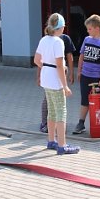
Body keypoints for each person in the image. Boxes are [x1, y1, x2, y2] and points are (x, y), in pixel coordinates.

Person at [34, 13, 80, 155]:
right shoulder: (58, 42)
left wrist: (47, 66)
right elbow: (60, 65)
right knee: (61, 112)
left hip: (46, 77)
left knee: (52, 111)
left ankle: (51, 140)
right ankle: (62, 144)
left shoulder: (44, 40)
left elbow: (36, 60)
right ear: (61, 27)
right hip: (55, 79)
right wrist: (65, 85)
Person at [73, 14, 100, 135]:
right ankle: (81, 123)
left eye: (89, 29)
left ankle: (98, 123)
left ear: (97, 28)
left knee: (97, 101)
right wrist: (79, 71)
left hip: (96, 78)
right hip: (85, 75)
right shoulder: (87, 40)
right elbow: (81, 57)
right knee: (84, 100)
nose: (87, 31)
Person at [39, 31, 75, 133]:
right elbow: (41, 59)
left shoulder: (64, 39)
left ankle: (55, 130)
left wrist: (71, 72)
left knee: (52, 102)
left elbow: (69, 57)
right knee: (54, 103)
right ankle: (46, 124)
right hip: (56, 73)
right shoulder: (51, 40)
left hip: (57, 72)